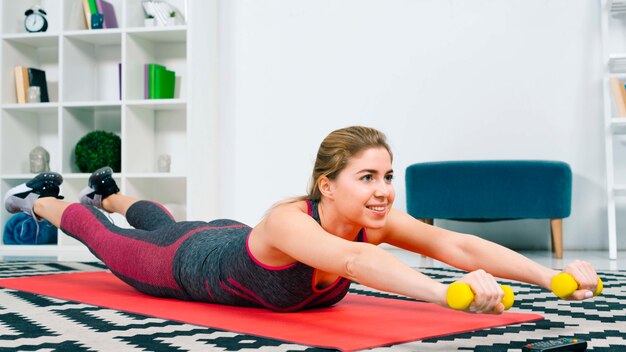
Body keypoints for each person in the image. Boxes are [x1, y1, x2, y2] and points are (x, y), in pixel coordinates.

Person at [4, 126, 600, 314]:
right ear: (327, 186)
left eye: (388, 176)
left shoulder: (373, 219)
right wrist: (450, 296)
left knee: (160, 217)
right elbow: (353, 262)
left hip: (220, 233)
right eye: (367, 178)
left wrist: (551, 277)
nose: (384, 191)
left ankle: (111, 190)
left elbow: (458, 244)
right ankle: (36, 197)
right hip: (181, 265)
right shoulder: (291, 220)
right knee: (101, 233)